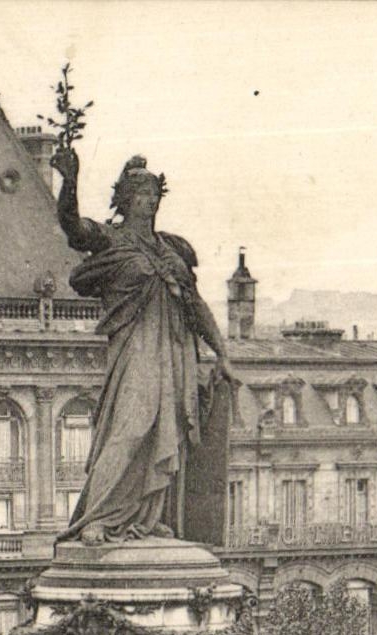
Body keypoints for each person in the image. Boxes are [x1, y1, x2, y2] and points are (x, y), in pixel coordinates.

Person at [51, 145, 235, 544]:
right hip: (135, 347)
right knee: (131, 428)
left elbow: (196, 305)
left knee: (163, 434)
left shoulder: (172, 249)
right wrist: (70, 181)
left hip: (173, 351)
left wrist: (222, 352)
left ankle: (145, 518)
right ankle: (98, 518)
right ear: (125, 199)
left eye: (154, 194)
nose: (149, 201)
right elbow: (73, 228)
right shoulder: (112, 239)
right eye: (141, 195)